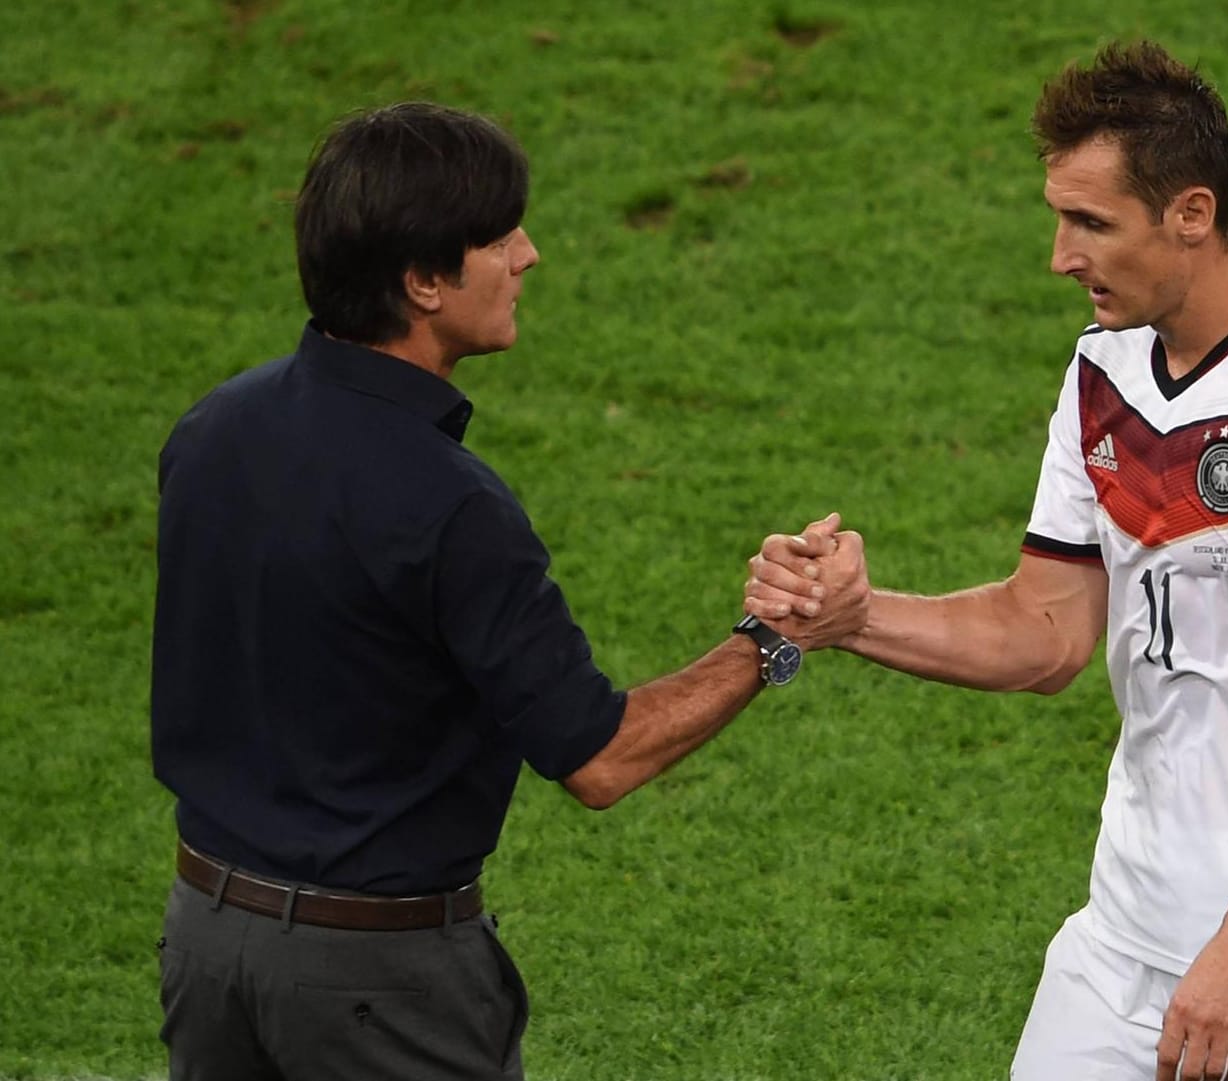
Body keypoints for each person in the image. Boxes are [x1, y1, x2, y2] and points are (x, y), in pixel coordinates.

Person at [749, 41, 1228, 1081]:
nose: (1060, 256)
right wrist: (852, 617)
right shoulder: (1100, 372)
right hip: (1122, 937)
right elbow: (1046, 630)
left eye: (1090, 223)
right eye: (1058, 217)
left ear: (1191, 215)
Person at [150, 101, 865, 1081]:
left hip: (205, 943)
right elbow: (601, 759)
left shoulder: (211, 431)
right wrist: (771, 636)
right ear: (422, 281)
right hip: (376, 986)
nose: (526, 255)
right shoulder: (449, 507)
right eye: (498, 237)